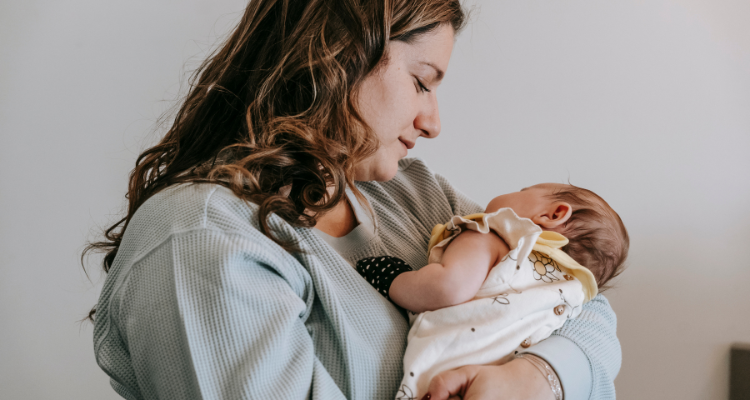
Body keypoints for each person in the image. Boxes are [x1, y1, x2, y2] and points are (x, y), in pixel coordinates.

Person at [85, 1, 622, 399]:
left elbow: (583, 302)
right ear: (337, 55)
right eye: (421, 82)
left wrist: (531, 379)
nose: (433, 123)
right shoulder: (204, 237)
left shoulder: (414, 193)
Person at [354, 183, 628, 399]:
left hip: (443, 379)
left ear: (553, 214)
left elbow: (448, 286)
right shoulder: (570, 290)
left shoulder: (492, 234)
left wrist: (393, 278)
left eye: (524, 190)